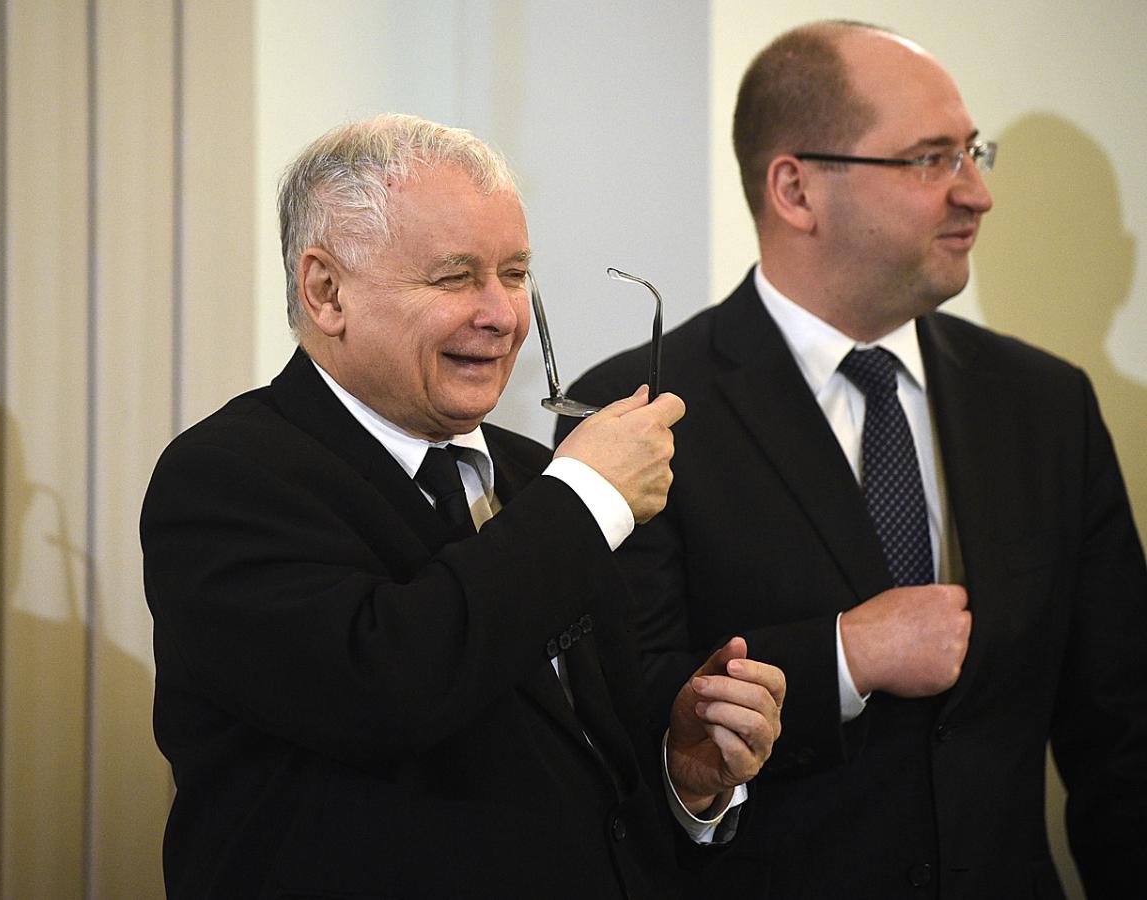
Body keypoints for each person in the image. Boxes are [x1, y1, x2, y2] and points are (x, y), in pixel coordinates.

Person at [560, 21, 1147, 900]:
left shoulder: (1046, 406)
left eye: (972, 152)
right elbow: (622, 725)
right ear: (796, 189)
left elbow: (1124, 737)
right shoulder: (639, 415)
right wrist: (840, 656)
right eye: (931, 159)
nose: (977, 193)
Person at [141, 114, 785, 900]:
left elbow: (572, 773)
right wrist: (587, 501)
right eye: (454, 278)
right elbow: (386, 691)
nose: (502, 315)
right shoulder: (225, 478)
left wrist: (682, 775)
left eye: (514, 274)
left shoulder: (536, 474)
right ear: (326, 291)